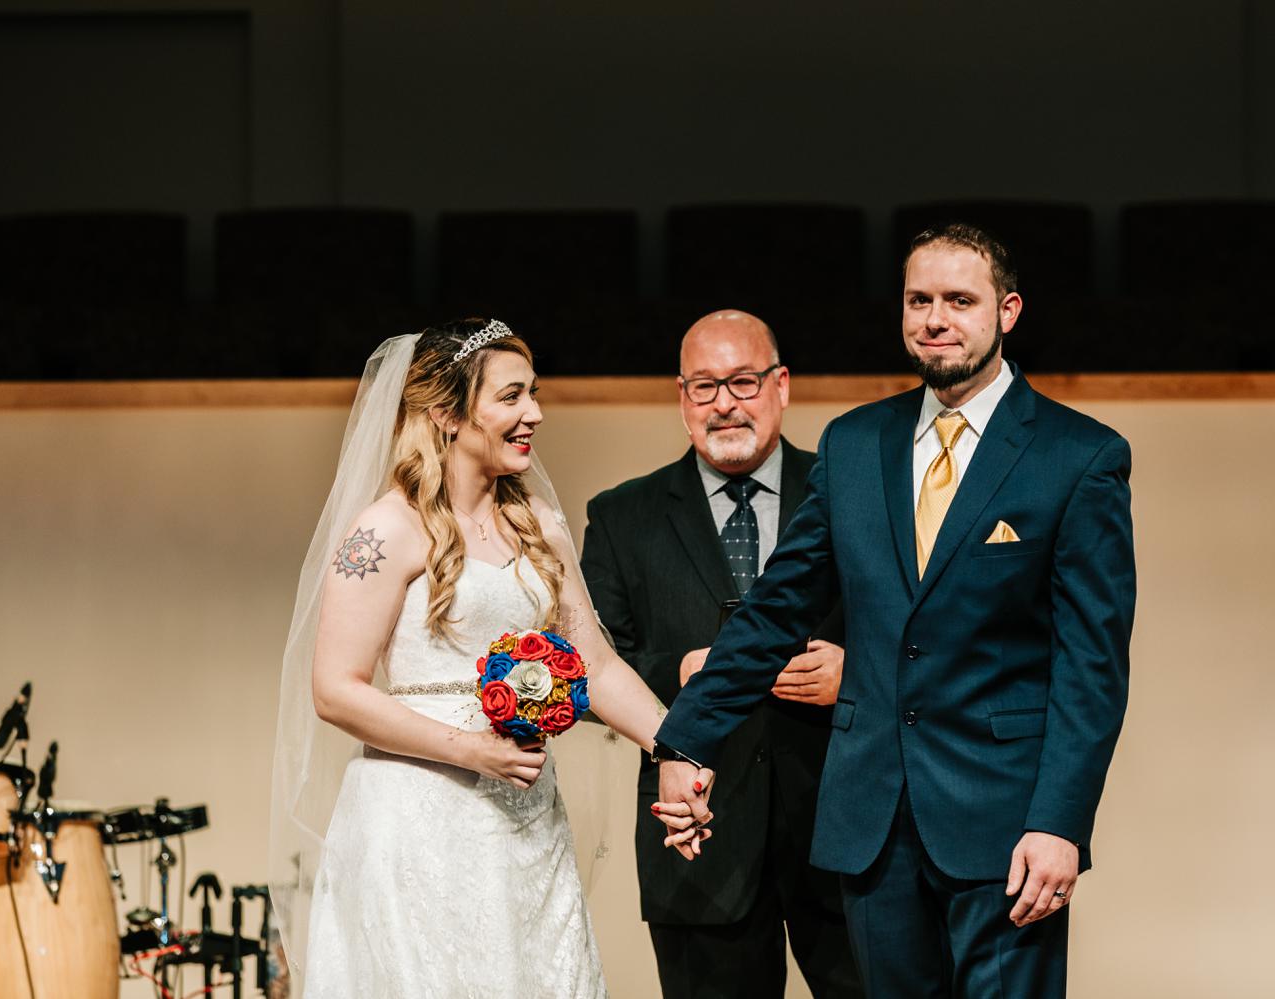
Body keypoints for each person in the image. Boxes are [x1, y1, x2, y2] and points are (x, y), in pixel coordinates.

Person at [650, 224, 1136, 997]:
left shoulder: (1079, 456)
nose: (934, 318)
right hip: (870, 823)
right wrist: (686, 738)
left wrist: (1062, 822)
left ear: (1007, 311)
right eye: (919, 300)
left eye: (958, 300)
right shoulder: (854, 443)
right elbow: (778, 609)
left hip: (1007, 826)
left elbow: (1093, 666)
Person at [268, 319, 704, 998]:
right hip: (417, 820)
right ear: (447, 413)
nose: (534, 413)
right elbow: (335, 689)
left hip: (527, 822)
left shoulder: (539, 526)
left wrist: (673, 745)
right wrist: (474, 751)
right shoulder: (386, 528)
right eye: (510, 396)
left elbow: (595, 664)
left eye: (533, 393)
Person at [581, 311, 863, 998]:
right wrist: (674, 673)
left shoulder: (855, 494)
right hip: (696, 840)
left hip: (844, 828)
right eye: (705, 386)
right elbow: (581, 669)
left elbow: (918, 632)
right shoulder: (622, 516)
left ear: (781, 385)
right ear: (682, 398)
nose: (725, 403)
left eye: (742, 380)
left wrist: (857, 676)